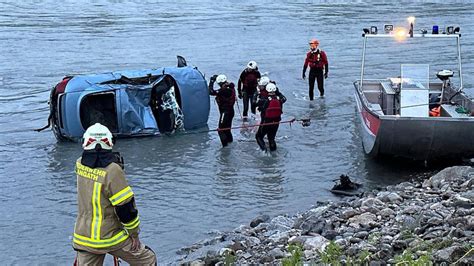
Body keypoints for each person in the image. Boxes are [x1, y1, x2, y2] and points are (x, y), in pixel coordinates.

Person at [73, 123, 156, 265]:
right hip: (110, 237)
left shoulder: (79, 164)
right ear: (110, 143)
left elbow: (95, 173)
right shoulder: (113, 170)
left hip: (83, 237)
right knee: (148, 259)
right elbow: (126, 208)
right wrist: (134, 234)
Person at [255, 83, 286, 152]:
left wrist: (256, 94)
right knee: (271, 138)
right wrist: (278, 93)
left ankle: (264, 151)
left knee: (258, 137)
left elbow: (256, 104)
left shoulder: (265, 100)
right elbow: (284, 99)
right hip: (276, 122)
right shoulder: (279, 100)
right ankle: (273, 152)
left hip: (266, 122)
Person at [209, 74, 236, 147]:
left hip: (225, 112)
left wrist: (211, 81)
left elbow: (211, 92)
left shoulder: (223, 91)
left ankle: (225, 148)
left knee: (220, 130)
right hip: (231, 111)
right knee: (227, 130)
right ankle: (230, 144)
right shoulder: (231, 87)